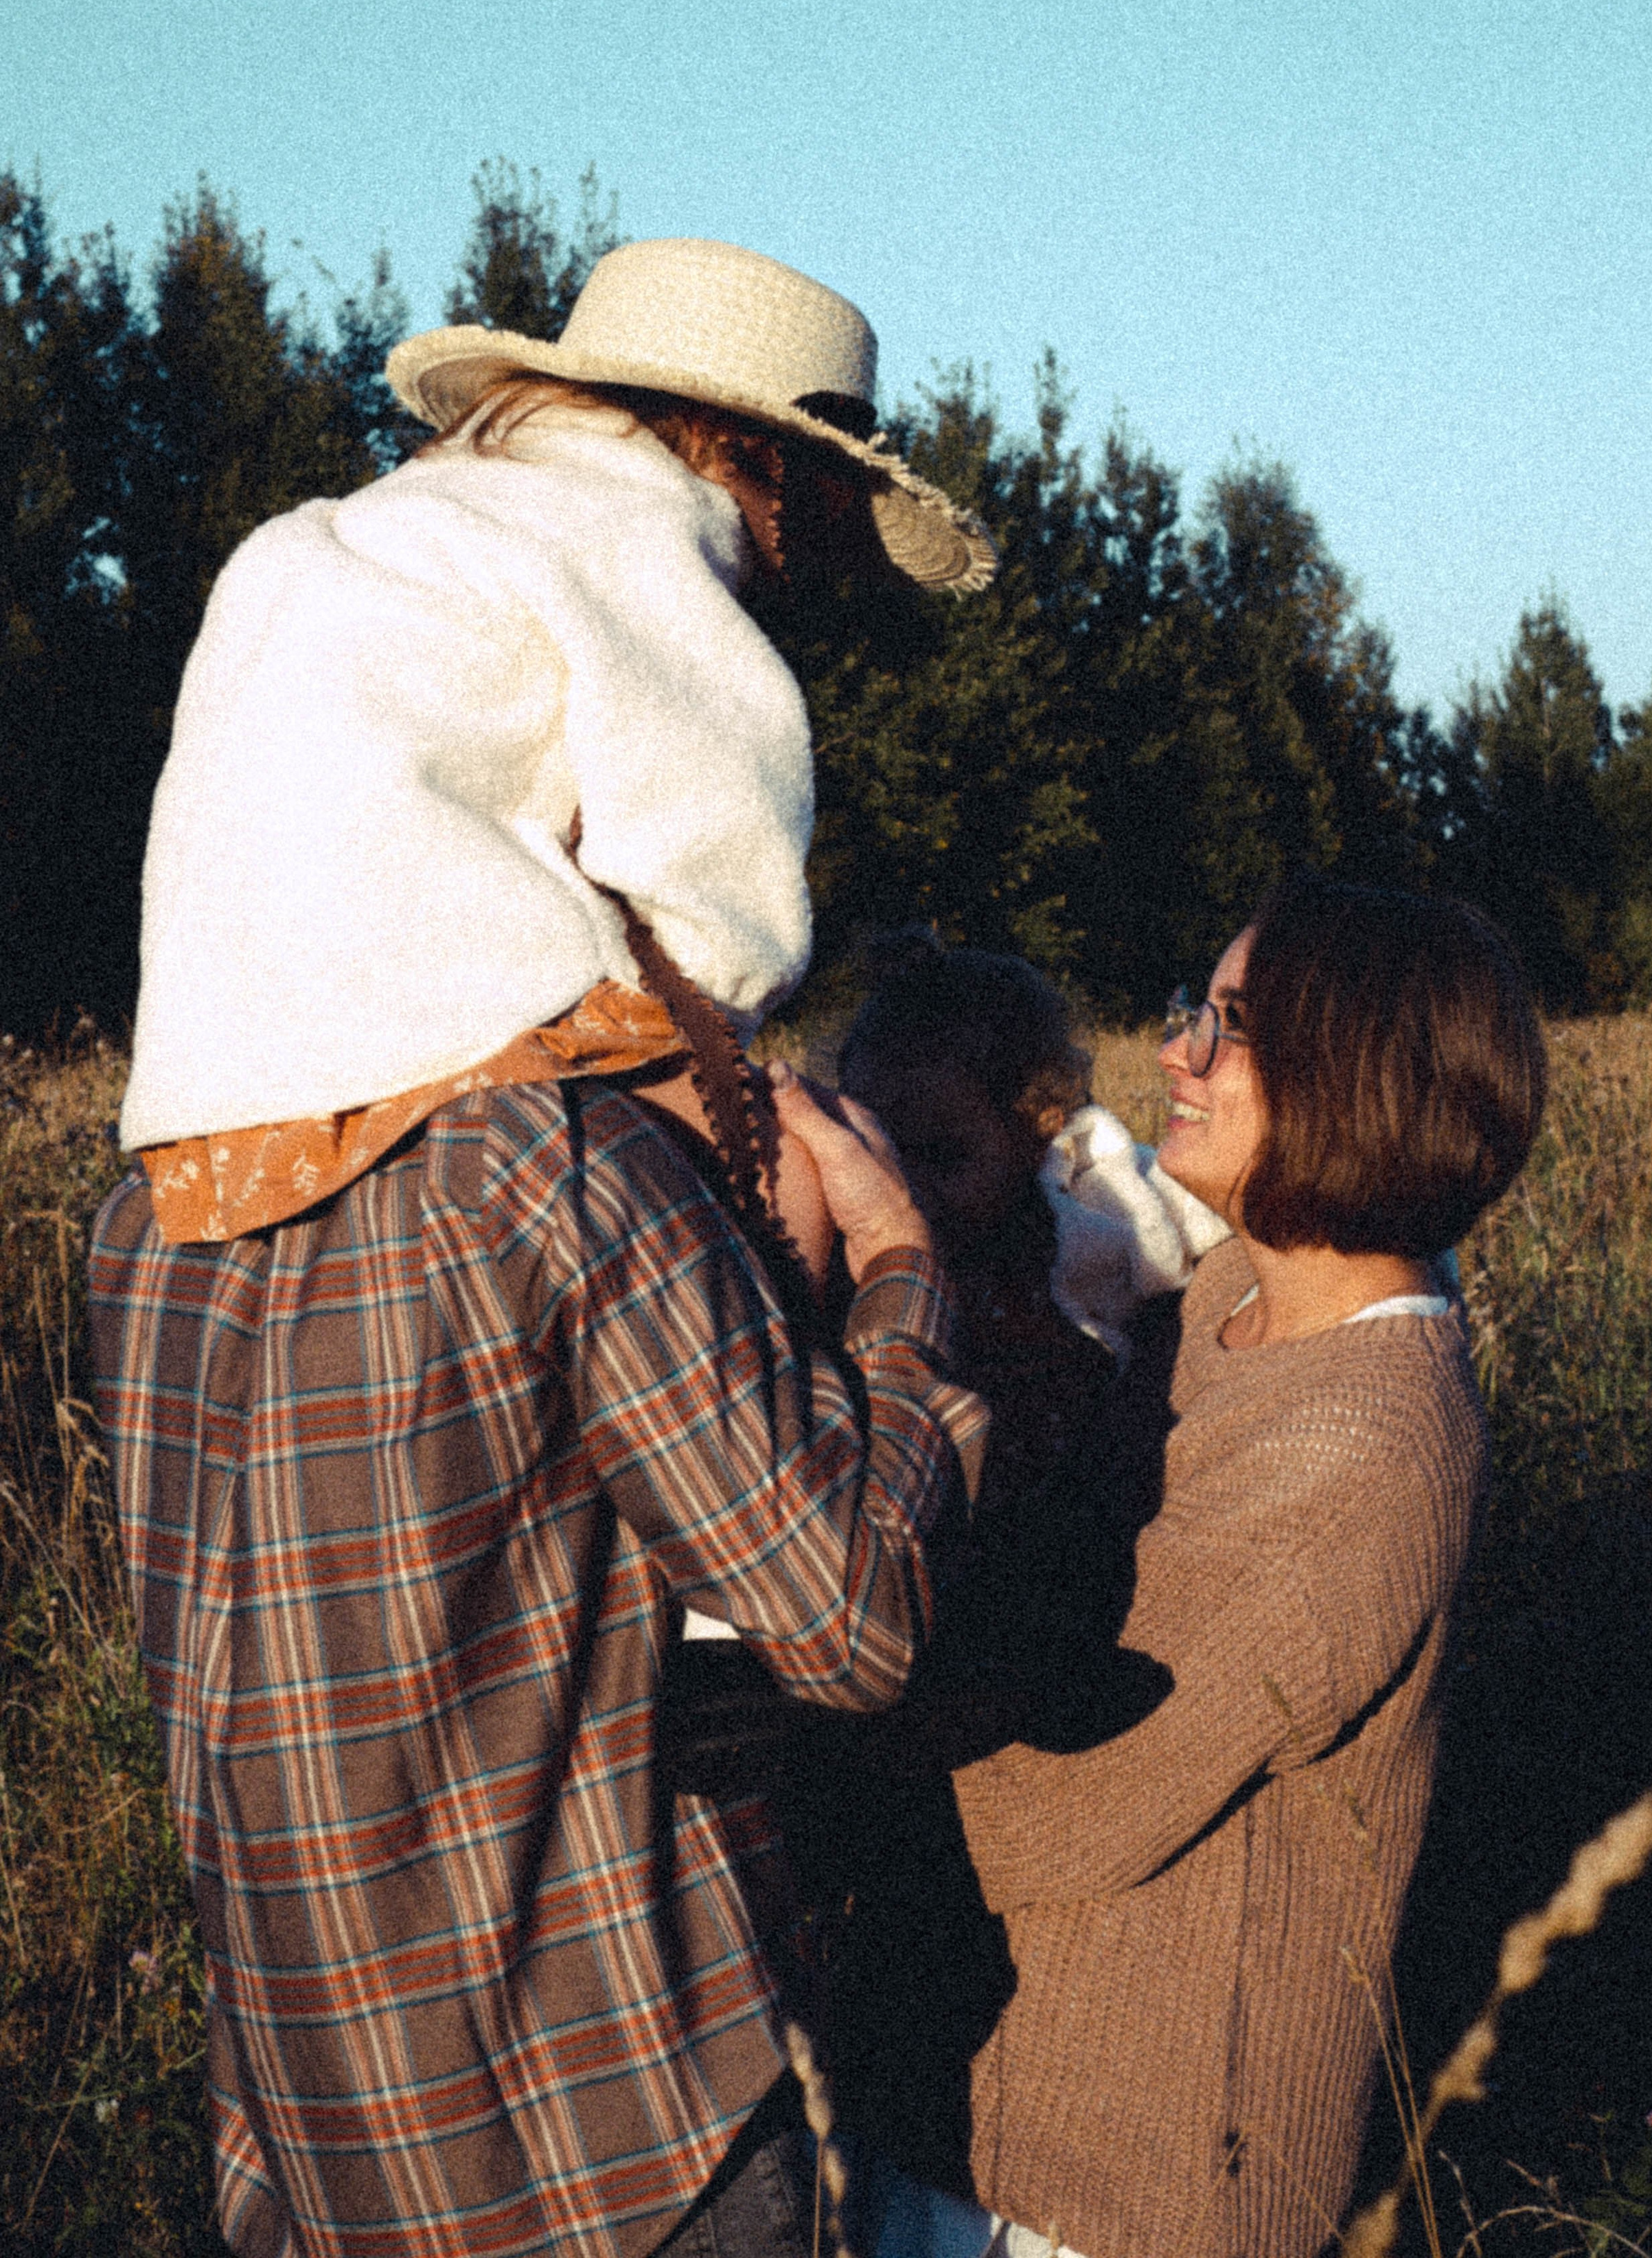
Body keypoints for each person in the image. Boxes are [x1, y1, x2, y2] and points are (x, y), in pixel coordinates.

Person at [87, 237, 1000, 2258]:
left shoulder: (149, 1213)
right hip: (610, 2149)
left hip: (310, 2151)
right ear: (763, 484)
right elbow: (851, 1617)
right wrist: (899, 1278)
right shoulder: (552, 1170)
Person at [941, 875, 1548, 2258]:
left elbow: (1062, 1804)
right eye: (1190, 1011)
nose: (1175, 1053)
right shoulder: (1231, 1295)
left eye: (1232, 1026)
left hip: (1124, 2184)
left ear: (1360, 1080)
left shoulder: (1362, 1442)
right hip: (999, 2123)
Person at [756, 937, 1228, 2251]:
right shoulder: (855, 1271)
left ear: (1038, 1133)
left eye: (945, 1156)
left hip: (998, 1651)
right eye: (882, 1152)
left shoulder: (1057, 1281)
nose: (912, 1194)